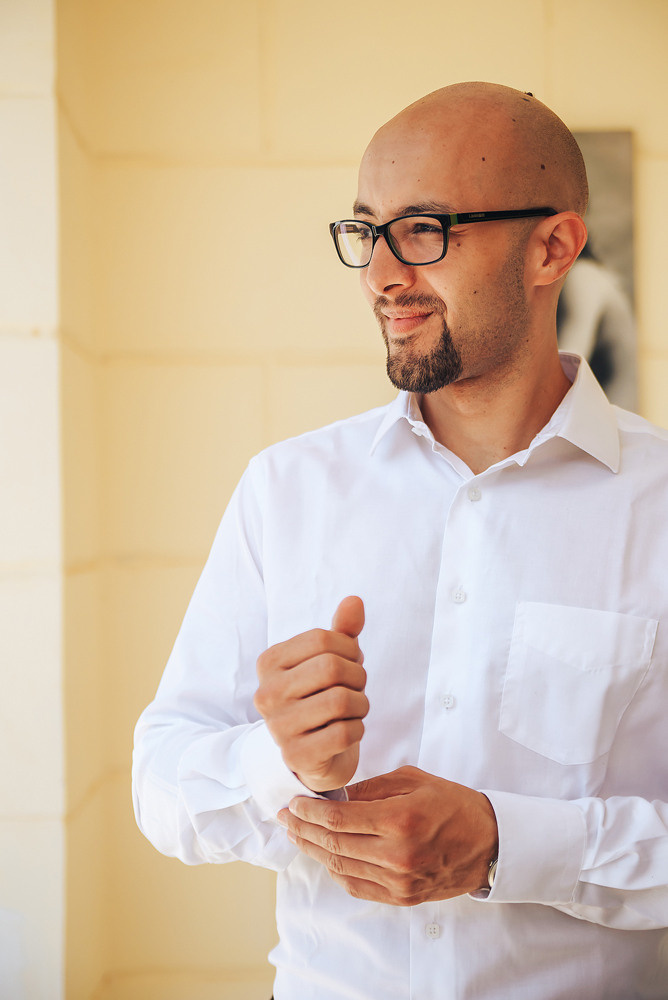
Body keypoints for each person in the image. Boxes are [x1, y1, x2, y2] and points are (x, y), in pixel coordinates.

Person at [132, 82, 668, 999]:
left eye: (424, 229)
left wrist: (509, 844)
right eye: (365, 231)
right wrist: (280, 760)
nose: (382, 275)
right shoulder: (285, 489)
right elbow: (162, 792)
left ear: (553, 247)